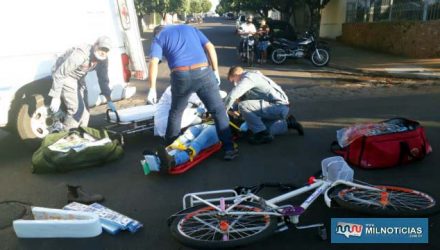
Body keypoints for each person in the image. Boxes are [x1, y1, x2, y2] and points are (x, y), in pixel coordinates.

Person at [147, 24, 237, 160]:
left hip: (180, 76)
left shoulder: (159, 37)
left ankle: (170, 150)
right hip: (203, 72)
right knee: (218, 110)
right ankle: (229, 148)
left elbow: (153, 62)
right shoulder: (190, 28)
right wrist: (215, 70)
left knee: (176, 112)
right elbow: (210, 47)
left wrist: (152, 88)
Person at [49, 36, 116, 131]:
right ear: (95, 45)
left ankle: (81, 136)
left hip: (79, 77)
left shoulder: (103, 59)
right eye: (101, 48)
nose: (102, 52)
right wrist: (56, 96)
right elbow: (60, 73)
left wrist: (108, 98)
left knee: (85, 112)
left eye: (105, 50)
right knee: (76, 111)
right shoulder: (81, 54)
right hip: (65, 75)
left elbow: (103, 79)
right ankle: (66, 137)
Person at [224, 66, 304, 144]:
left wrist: (223, 110)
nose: (234, 84)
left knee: (243, 106)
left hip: (278, 106)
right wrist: (233, 109)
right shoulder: (252, 75)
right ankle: (289, 123)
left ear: (236, 75)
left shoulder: (248, 78)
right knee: (257, 128)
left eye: (233, 80)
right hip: (279, 107)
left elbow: (232, 96)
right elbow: (241, 98)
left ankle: (262, 135)